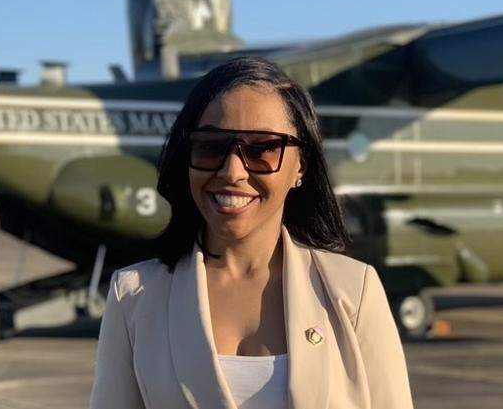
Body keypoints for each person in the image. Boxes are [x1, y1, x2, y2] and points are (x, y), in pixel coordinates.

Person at [90, 57, 413, 408]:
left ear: (301, 166)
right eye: (211, 146)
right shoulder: (134, 296)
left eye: (262, 148)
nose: (232, 171)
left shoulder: (354, 291)